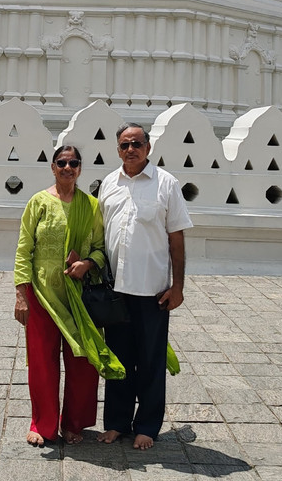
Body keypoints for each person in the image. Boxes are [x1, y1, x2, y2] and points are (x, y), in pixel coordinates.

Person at [14, 144, 122, 446]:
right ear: (53, 167)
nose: (67, 168)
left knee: (83, 364)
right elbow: (24, 249)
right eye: (61, 163)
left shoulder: (91, 206)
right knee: (42, 363)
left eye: (73, 163)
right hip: (42, 294)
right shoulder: (38, 202)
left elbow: (101, 249)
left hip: (80, 296)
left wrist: (87, 264)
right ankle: (43, 424)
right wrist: (21, 294)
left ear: (80, 169)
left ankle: (74, 423)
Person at [96, 123, 192, 450]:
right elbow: (101, 234)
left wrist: (178, 286)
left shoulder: (166, 184)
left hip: (153, 291)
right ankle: (117, 423)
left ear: (148, 148)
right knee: (118, 359)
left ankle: (147, 426)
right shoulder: (109, 183)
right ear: (117, 149)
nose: (131, 150)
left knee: (150, 360)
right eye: (124, 145)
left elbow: (176, 239)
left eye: (137, 144)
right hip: (116, 290)